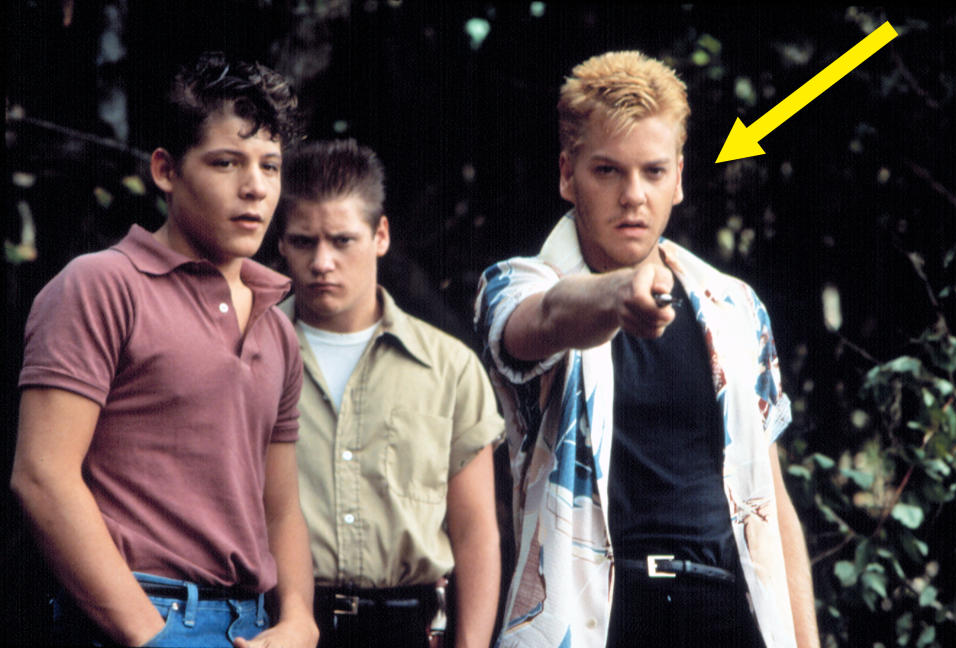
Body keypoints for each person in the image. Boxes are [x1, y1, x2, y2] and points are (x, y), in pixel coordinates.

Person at [475, 51, 820, 648]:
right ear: (567, 174)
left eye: (653, 172)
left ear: (679, 178)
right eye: (607, 171)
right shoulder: (517, 284)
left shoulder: (735, 306)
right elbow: (545, 320)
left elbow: (768, 499)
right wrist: (617, 298)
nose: (633, 195)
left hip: (725, 612)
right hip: (597, 615)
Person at [11, 52, 319, 648]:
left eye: (271, 166)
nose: (255, 187)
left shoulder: (278, 325)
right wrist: (153, 637)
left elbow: (280, 507)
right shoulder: (101, 284)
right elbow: (42, 476)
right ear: (166, 170)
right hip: (133, 619)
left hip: (255, 627)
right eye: (226, 162)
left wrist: (299, 620)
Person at [275, 139, 503, 648]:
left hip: (408, 624)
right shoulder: (252, 356)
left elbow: (476, 533)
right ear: (282, 245)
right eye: (304, 242)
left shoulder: (448, 368)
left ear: (380, 235)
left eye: (342, 240)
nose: (322, 262)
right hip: (282, 623)